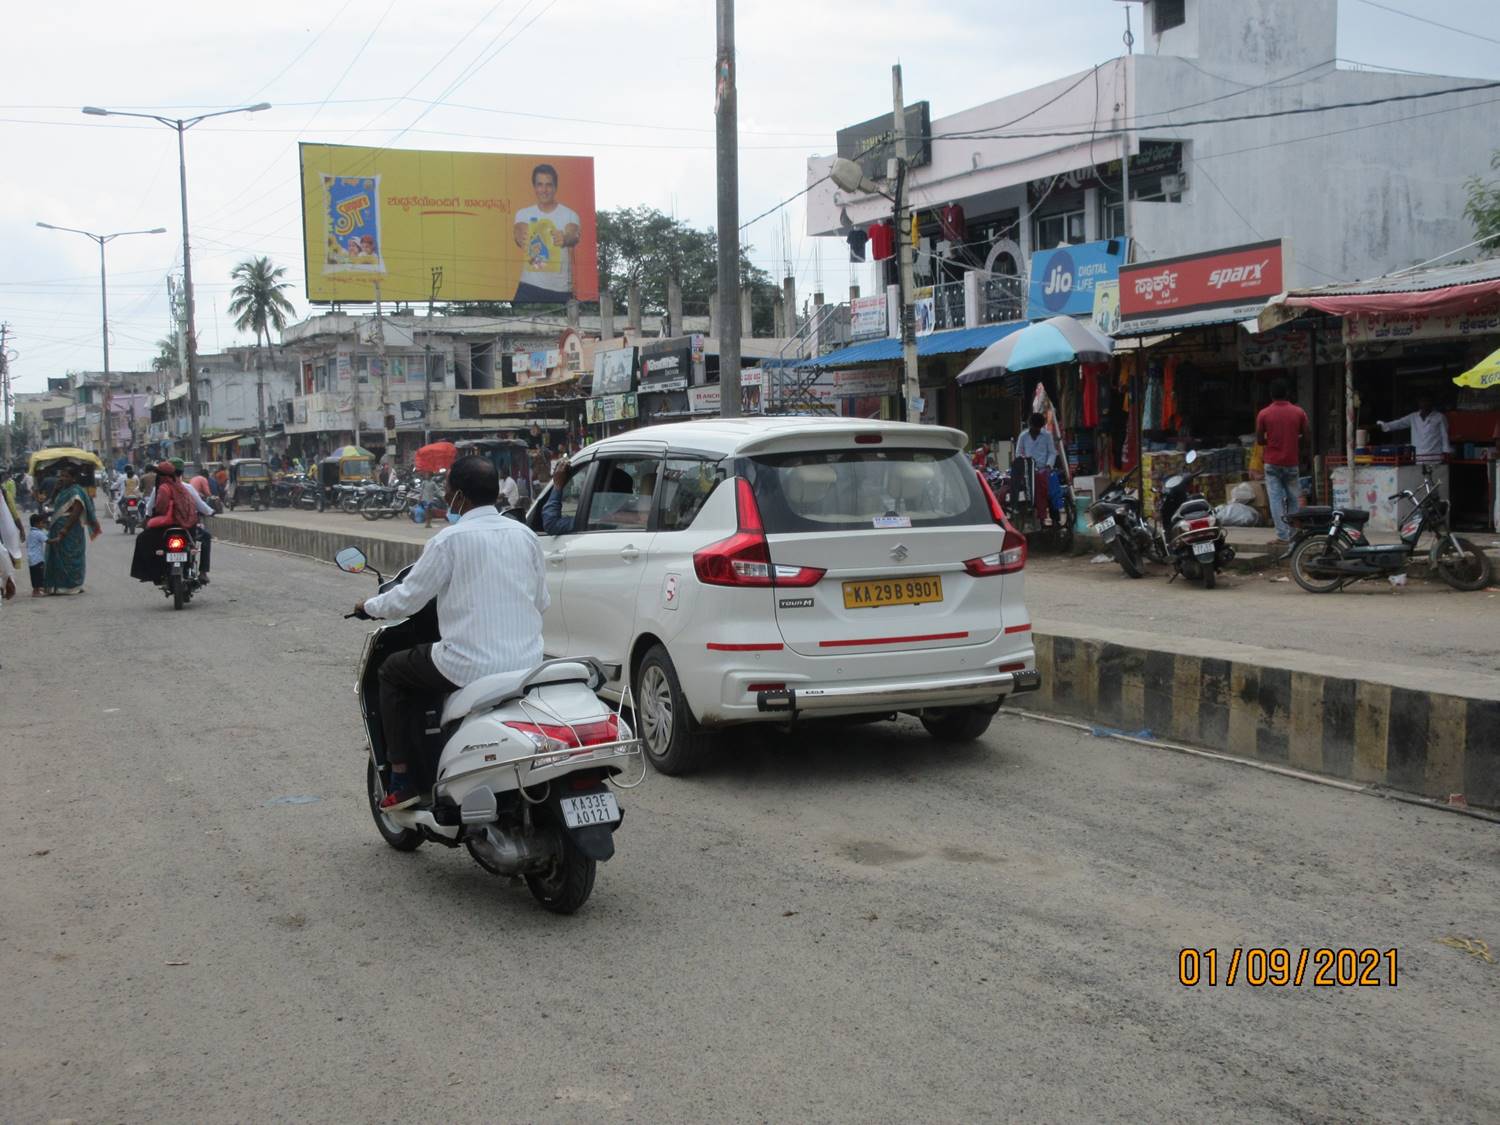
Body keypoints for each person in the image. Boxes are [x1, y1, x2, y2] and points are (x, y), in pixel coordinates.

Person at [355, 455, 550, 810]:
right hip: (527, 663)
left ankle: (402, 780)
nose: (445, 495)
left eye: (447, 488)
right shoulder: (525, 536)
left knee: (393, 672)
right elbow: (541, 602)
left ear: (458, 495)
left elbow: (407, 600)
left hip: (468, 665)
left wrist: (368, 606)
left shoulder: (449, 541)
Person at [511, 163, 582, 305]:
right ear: (534, 187)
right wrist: (521, 237)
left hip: (560, 291)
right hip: (528, 287)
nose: (544, 190)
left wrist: (565, 238)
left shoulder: (569, 214)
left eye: (549, 185)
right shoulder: (523, 213)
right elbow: (519, 231)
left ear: (555, 187)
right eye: (540, 185)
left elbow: (573, 234)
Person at [1255, 378, 1310, 544]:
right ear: (1287, 393)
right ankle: (1294, 534)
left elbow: (1259, 439)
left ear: (1271, 395)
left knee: (1275, 499)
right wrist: (1294, 440)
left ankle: (1282, 535)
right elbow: (1307, 437)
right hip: (1291, 462)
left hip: (1272, 462)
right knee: (1294, 499)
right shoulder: (1299, 412)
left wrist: (1269, 441)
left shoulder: (1264, 414)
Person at [42, 463, 101, 596]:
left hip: (71, 529)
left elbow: (76, 512)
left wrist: (64, 530)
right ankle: (57, 586)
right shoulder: (62, 490)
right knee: (58, 555)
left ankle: (72, 585)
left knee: (71, 555)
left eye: (66, 476)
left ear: (73, 478)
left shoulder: (76, 491)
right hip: (57, 525)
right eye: (61, 476)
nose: (62, 478)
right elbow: (50, 503)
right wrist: (56, 491)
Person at [1013, 413, 1058, 525]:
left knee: (1051, 493)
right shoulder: (1023, 436)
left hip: (1044, 469)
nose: (1036, 431)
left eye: (1038, 429)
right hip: (1028, 470)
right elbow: (1018, 453)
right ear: (1030, 425)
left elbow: (1052, 453)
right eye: (1034, 429)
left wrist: (1048, 466)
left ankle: (1054, 519)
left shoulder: (1047, 435)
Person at [1377, 395, 1451, 461]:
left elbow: (1445, 435)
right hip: (1418, 456)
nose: (1425, 403)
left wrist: (1446, 452)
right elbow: (1399, 423)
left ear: (1432, 402)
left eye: (1427, 401)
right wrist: (1384, 426)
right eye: (1422, 401)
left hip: (1434, 456)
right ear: (1419, 403)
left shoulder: (1440, 417)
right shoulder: (1413, 417)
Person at [26, 514, 48, 597]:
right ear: (36, 524)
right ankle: (36, 592)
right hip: (38, 558)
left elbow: (28, 544)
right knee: (39, 575)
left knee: (34, 575)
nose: (43, 525)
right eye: (42, 523)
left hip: (31, 559)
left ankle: (36, 590)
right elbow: (48, 541)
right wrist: (58, 539)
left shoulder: (31, 533)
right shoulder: (39, 533)